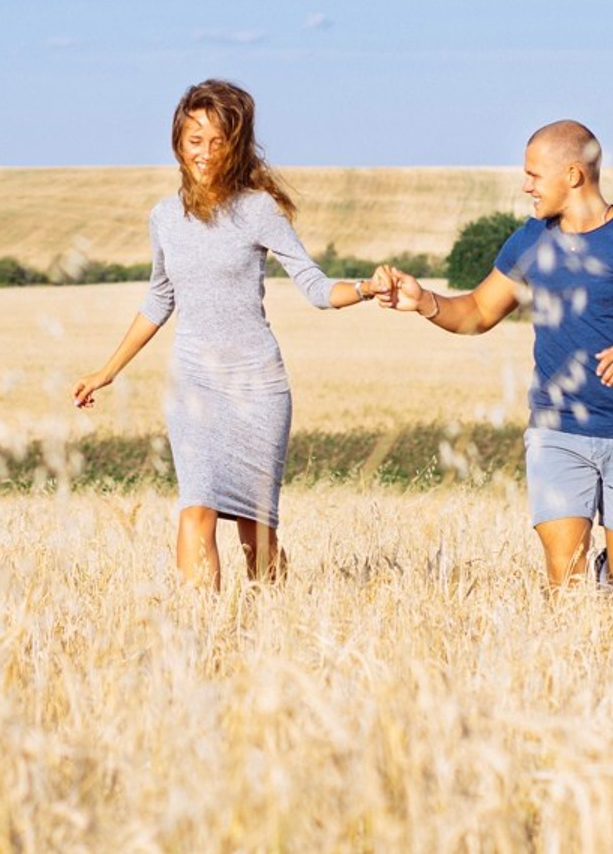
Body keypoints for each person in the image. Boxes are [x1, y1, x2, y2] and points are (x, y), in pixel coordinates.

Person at [73, 80, 384, 590]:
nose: (205, 153)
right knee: (195, 507)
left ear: (236, 146)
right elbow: (159, 298)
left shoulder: (258, 210)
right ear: (178, 142)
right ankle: (203, 628)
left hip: (257, 385)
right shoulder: (164, 218)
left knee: (255, 530)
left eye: (218, 142)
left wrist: (367, 288)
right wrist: (106, 371)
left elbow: (315, 287)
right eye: (195, 140)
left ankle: (271, 619)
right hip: (193, 383)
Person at [376, 120, 613, 589]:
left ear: (573, 175)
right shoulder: (531, 240)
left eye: (534, 174)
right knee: (565, 583)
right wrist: (425, 302)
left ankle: (610, 575)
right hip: (556, 432)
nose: (526, 186)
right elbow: (478, 310)